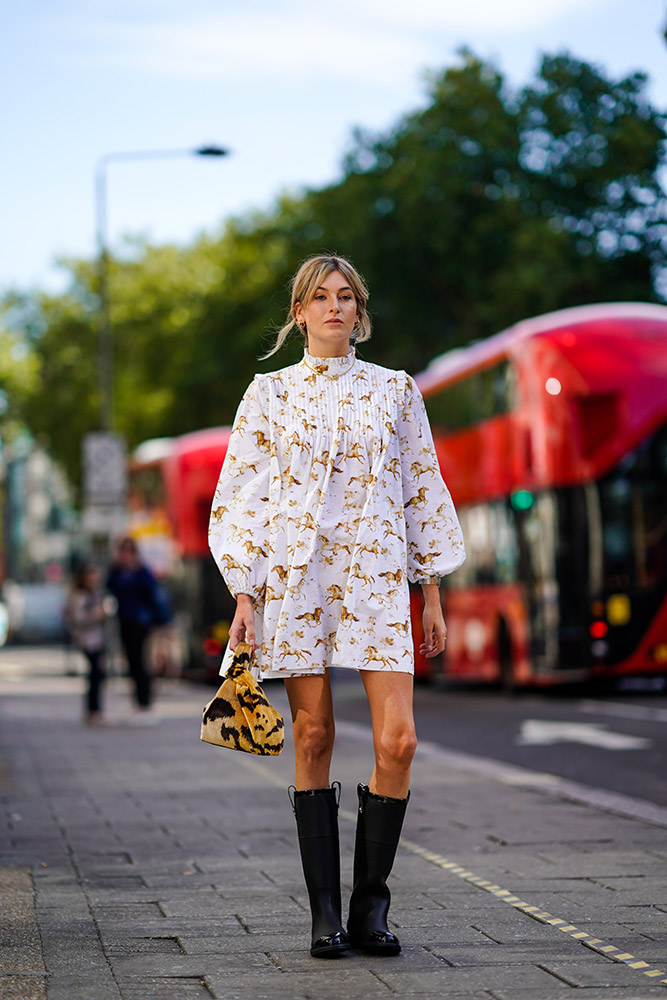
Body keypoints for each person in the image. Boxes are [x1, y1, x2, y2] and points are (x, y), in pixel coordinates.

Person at [209, 254, 466, 958]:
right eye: (318, 297)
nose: (332, 307)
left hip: (379, 581)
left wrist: (432, 590)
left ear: (359, 311)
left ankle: (369, 907)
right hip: (298, 582)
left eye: (344, 296)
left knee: (398, 741)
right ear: (297, 313)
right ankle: (325, 915)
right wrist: (244, 592)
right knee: (313, 737)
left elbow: (421, 487)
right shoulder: (266, 395)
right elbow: (242, 498)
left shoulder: (395, 390)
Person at [106, 537, 163, 720]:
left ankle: (145, 702)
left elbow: (154, 596)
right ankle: (138, 702)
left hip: (141, 622)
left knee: (140, 662)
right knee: (130, 662)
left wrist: (158, 621)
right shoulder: (116, 572)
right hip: (124, 621)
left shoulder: (141, 572)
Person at [67, 564, 108, 725]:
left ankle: (95, 710)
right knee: (95, 675)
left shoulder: (95, 594)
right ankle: (93, 711)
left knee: (97, 675)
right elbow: (78, 619)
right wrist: (95, 615)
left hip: (97, 640)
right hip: (87, 640)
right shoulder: (80, 597)